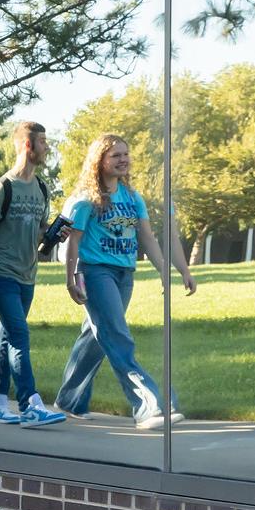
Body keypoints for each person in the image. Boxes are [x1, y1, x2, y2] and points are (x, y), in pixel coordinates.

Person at [55, 133, 195, 428]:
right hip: (95, 272)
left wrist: (168, 272)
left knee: (96, 337)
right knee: (117, 336)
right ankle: (149, 405)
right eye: (115, 155)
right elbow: (73, 243)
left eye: (125, 154)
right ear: (100, 161)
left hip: (124, 274)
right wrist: (71, 280)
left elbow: (147, 237)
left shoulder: (132, 198)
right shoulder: (86, 200)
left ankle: (69, 400)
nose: (123, 160)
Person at [0, 121, 67, 428]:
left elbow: (40, 230)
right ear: (27, 146)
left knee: (6, 338)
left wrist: (53, 234)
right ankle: (30, 404)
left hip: (28, 273)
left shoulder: (41, 187)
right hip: (2, 273)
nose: (46, 147)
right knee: (19, 336)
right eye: (42, 142)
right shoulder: (2, 187)